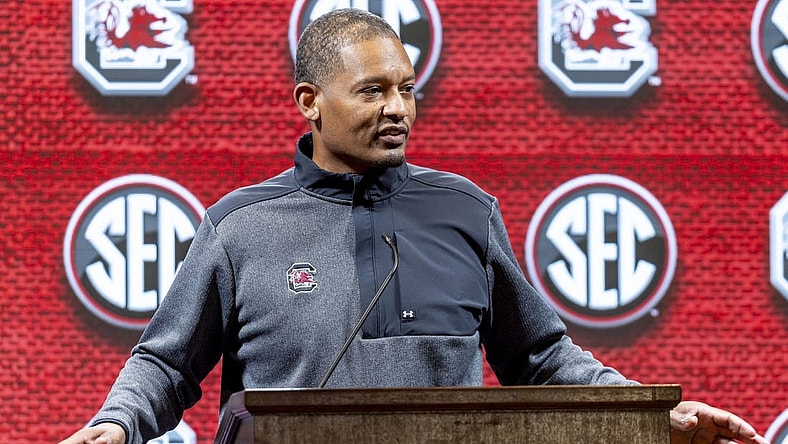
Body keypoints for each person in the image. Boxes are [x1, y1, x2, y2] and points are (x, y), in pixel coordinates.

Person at [60, 8, 769, 444]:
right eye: (372, 90)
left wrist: (649, 420)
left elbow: (544, 360)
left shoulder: (465, 210)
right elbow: (166, 362)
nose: (398, 107)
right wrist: (116, 425)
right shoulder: (239, 227)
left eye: (406, 88)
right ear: (309, 101)